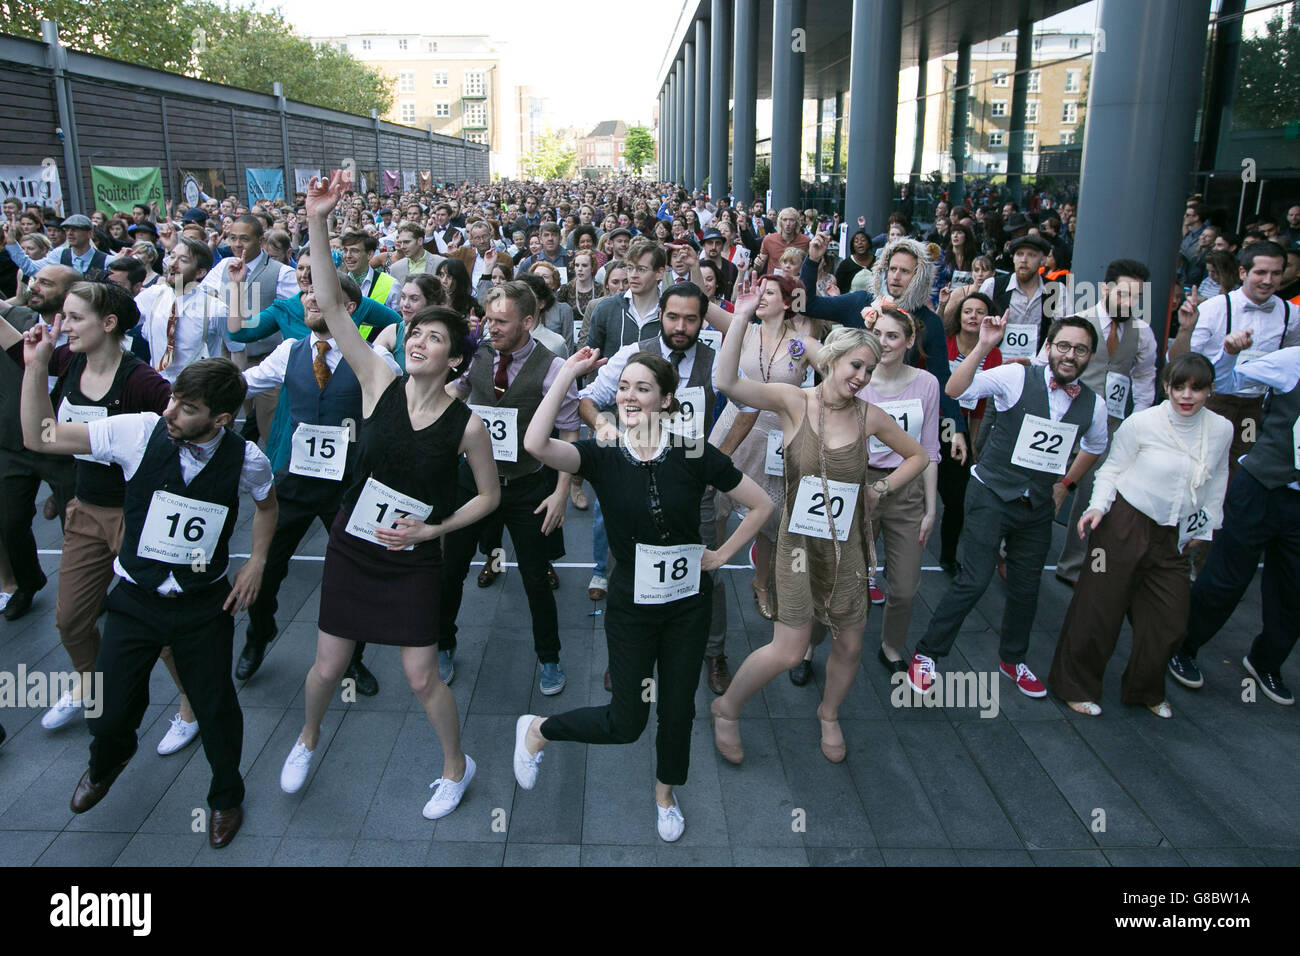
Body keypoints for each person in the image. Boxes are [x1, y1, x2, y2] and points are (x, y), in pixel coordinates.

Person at [278, 172, 497, 820]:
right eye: (415, 332)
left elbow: (487, 500)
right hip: (353, 541)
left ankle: (456, 768)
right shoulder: (378, 378)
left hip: (411, 552)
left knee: (421, 676)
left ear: (456, 360)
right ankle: (307, 737)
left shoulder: (470, 426)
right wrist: (317, 220)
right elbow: (331, 301)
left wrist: (434, 533)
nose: (417, 338)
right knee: (325, 666)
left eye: (433, 336)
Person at [22, 347, 277, 850]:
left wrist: (257, 562)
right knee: (108, 708)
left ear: (220, 419)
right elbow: (42, 436)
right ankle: (109, 759)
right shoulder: (138, 430)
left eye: (186, 408)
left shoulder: (246, 457)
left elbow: (268, 508)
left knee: (216, 707)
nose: (170, 412)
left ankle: (226, 796)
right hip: (136, 598)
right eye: (173, 399)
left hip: (204, 605)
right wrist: (34, 366)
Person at [513, 346, 771, 841]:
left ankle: (665, 794)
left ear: (667, 400)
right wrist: (567, 374)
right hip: (631, 603)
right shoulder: (602, 453)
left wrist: (720, 556)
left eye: (643, 388)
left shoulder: (693, 451)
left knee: (679, 708)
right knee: (626, 721)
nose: (629, 396)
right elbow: (536, 443)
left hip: (687, 606)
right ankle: (538, 730)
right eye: (624, 387)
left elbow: (759, 506)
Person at [709, 316, 928, 764]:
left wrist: (877, 489)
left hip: (847, 547)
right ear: (830, 360)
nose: (862, 377)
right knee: (789, 650)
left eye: (869, 369)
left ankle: (829, 715)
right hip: (797, 545)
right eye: (855, 366)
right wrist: (744, 314)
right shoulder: (794, 401)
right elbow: (726, 380)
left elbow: (918, 455)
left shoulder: (871, 416)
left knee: (849, 644)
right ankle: (726, 707)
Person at [909, 315, 1109, 699]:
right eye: (1063, 346)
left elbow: (1095, 446)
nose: (1070, 355)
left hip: (1036, 504)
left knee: (1026, 586)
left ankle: (1013, 658)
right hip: (991, 493)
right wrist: (984, 346)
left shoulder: (1094, 406)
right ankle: (927, 653)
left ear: (1090, 357)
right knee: (974, 579)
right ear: (1048, 347)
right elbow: (954, 387)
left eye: (1080, 349)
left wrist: (1066, 485)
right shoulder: (1016, 377)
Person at [1050, 353, 1231, 718]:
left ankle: (1145, 689)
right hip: (1123, 524)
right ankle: (1075, 685)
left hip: (1174, 535)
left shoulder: (1223, 429)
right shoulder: (1142, 422)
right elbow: (1111, 469)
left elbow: (1218, 477)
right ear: (1166, 387)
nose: (1187, 395)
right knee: (1098, 611)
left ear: (1210, 391)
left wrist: (1207, 524)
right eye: (1178, 386)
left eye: (1197, 388)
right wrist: (1097, 507)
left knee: (1170, 621)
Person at [439, 281, 577, 693]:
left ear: (528, 322)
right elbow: (456, 391)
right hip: (473, 482)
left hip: (526, 485)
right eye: (488, 319)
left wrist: (561, 492)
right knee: (451, 569)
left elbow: (570, 433)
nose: (491, 328)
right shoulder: (477, 353)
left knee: (536, 579)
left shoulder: (553, 368)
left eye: (501, 321)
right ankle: (443, 644)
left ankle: (549, 658)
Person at [1167, 341, 1300, 706]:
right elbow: (1231, 378)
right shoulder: (1291, 362)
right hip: (1260, 487)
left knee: (1294, 591)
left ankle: (1265, 661)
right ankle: (1183, 646)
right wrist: (1230, 352)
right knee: (1227, 577)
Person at [1050, 259, 1159, 585]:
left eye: (1135, 297)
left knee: (1091, 496)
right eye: (1123, 294)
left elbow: (1144, 379)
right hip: (1067, 418)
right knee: (1045, 486)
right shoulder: (1079, 322)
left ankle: (1072, 566)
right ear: (1106, 289)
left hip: (1109, 425)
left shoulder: (1142, 332)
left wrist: (1137, 423)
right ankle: (1012, 550)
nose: (1129, 303)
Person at [1176, 241, 1296, 479]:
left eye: (1276, 273)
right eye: (1261, 272)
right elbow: (1181, 360)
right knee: (1201, 464)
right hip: (1213, 402)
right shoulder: (1214, 308)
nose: (1268, 280)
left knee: (1242, 463)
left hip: (1254, 408)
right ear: (1243, 272)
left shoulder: (1292, 314)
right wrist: (1185, 330)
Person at [0, 265, 78, 620]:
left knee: (75, 525)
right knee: (10, 520)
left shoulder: (81, 330)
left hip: (64, 443)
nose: (36, 286)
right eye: (35, 280)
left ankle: (87, 590)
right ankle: (27, 583)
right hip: (14, 441)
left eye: (47, 283)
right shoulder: (16, 317)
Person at [937, 292, 1001, 575]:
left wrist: (973, 440)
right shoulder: (944, 341)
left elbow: (981, 405)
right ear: (959, 316)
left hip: (961, 432)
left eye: (980, 312)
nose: (973, 316)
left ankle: (948, 557)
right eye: (968, 311)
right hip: (930, 424)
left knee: (956, 501)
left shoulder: (993, 353)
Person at [754, 208, 810, 276]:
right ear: (780, 222)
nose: (788, 224)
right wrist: (757, 264)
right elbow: (759, 268)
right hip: (773, 282)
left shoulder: (805, 241)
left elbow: (810, 266)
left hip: (794, 283)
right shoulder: (769, 239)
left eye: (791, 220)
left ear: (797, 222)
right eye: (785, 220)